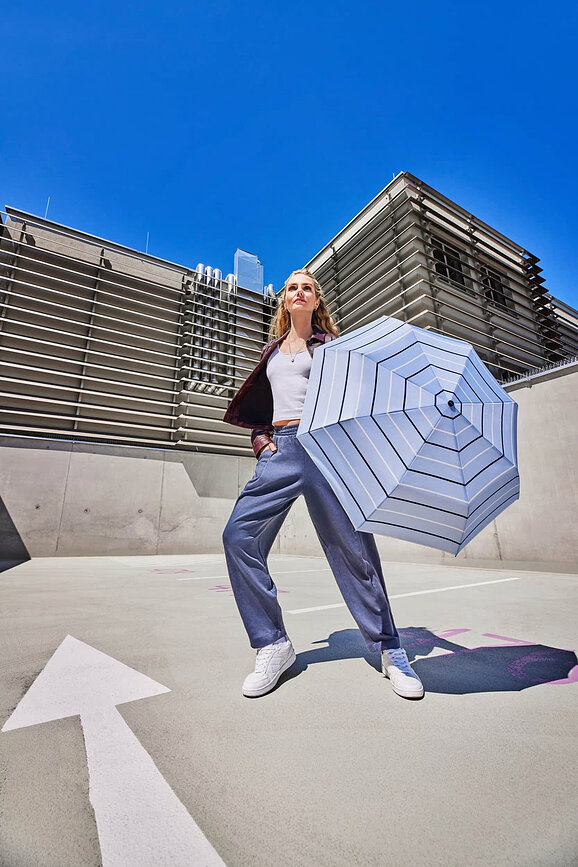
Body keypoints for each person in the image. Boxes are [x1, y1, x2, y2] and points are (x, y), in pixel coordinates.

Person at [222, 268, 424, 699]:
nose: (299, 292)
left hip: (325, 448)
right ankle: (273, 644)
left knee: (356, 554)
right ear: (284, 300)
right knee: (238, 537)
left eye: (307, 288)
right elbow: (263, 406)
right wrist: (261, 442)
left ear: (316, 300)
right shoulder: (272, 352)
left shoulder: (333, 346)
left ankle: (390, 649)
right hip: (280, 451)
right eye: (292, 287)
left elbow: (357, 396)